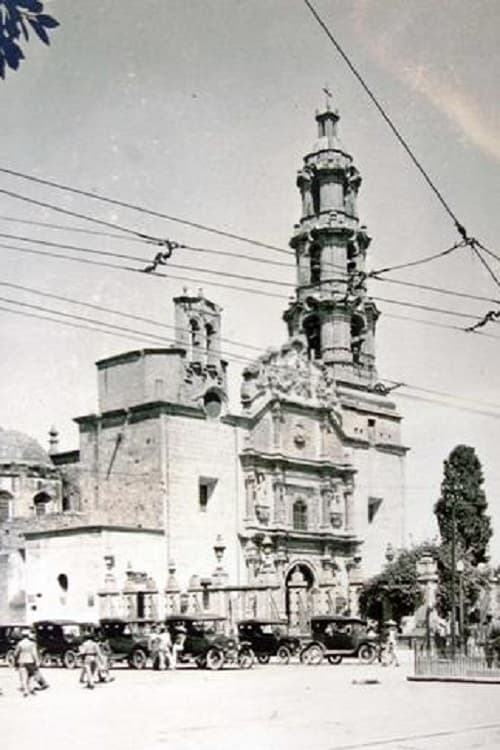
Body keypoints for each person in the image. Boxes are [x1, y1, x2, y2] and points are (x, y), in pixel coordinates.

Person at [13, 628, 40, 697]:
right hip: (31, 661)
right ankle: (31, 689)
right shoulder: (32, 644)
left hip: (22, 662)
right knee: (31, 676)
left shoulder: (20, 644)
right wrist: (37, 661)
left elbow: (16, 654)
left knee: (23, 677)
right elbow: (34, 653)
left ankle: (25, 691)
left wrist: (15, 662)